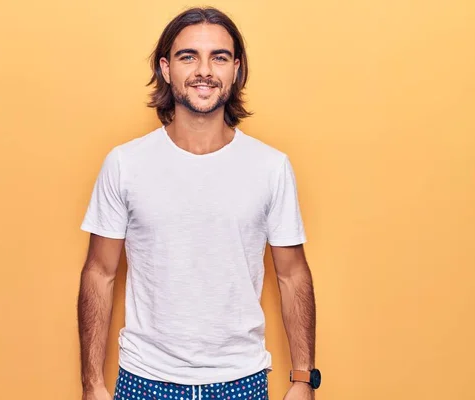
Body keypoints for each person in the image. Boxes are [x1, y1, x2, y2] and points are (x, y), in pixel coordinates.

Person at [77, 7, 320, 400]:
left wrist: (303, 378)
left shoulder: (271, 167)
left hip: (241, 379)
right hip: (145, 378)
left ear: (236, 70)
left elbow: (293, 276)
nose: (204, 70)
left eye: (219, 57)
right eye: (188, 56)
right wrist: (91, 383)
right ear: (166, 68)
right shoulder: (125, 164)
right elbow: (99, 273)